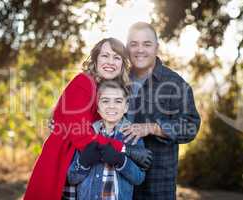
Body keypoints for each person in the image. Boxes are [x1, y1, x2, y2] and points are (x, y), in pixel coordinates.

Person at [24, 38, 152, 200]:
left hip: (89, 162)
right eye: (105, 56)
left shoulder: (108, 90)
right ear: (96, 59)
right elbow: (81, 136)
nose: (110, 62)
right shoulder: (83, 82)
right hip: (63, 160)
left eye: (116, 57)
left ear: (122, 64)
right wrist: (126, 150)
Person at [120, 22, 201, 199]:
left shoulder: (176, 84)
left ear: (157, 47)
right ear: (127, 48)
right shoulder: (118, 80)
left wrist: (152, 128)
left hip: (156, 185)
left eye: (146, 44)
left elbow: (191, 127)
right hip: (119, 179)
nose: (139, 50)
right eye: (134, 44)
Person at [67, 80, 146, 200]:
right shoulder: (86, 134)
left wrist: (121, 161)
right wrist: (83, 163)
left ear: (126, 107)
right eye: (105, 101)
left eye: (118, 101)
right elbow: (72, 178)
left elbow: (139, 178)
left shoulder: (132, 136)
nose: (111, 106)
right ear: (97, 107)